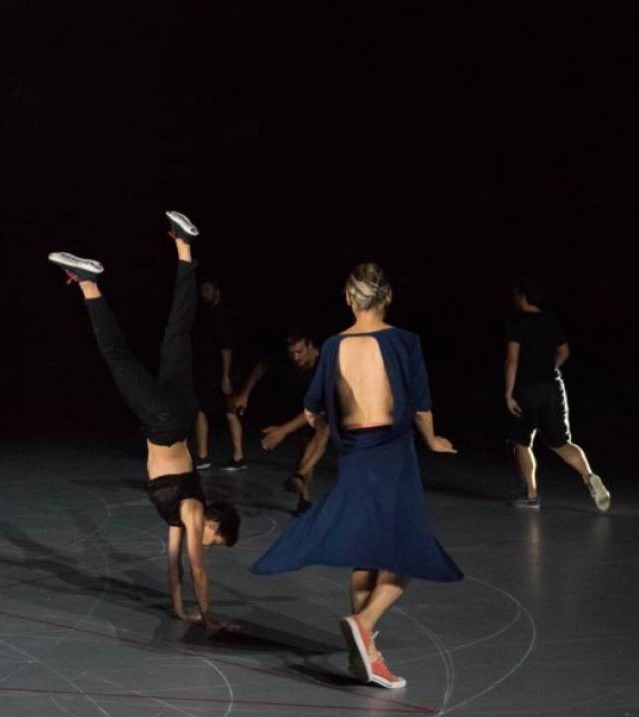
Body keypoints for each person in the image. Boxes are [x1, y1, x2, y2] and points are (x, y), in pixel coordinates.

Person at [250, 263, 462, 689]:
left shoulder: (331, 346)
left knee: (367, 553)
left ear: (348, 298)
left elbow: (312, 410)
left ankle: (363, 658)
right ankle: (364, 625)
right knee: (407, 552)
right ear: (388, 298)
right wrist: (433, 439)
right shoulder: (404, 342)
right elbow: (420, 405)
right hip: (393, 454)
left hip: (357, 456)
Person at [49, 211, 240, 630]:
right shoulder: (192, 512)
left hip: (180, 414)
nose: (209, 546)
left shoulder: (182, 516)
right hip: (166, 421)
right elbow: (197, 570)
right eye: (216, 540)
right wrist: (209, 619)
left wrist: (178, 608)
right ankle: (87, 281)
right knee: (118, 358)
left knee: (177, 331)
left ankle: (185, 246)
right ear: (213, 524)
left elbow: (172, 564)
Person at [505, 277, 610, 511]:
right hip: (553, 387)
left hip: (526, 389)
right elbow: (565, 352)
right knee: (562, 443)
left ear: (523, 295)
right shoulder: (551, 320)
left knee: (521, 442)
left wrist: (508, 393)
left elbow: (512, 361)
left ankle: (532, 496)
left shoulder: (517, 322)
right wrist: (550, 368)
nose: (514, 297)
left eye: (516, 293)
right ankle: (589, 476)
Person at [231, 328, 331, 514]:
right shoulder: (288, 358)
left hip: (336, 405)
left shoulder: (325, 364)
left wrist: (283, 431)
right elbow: (262, 365)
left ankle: (300, 475)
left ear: (311, 346)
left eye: (299, 352)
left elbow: (314, 411)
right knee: (304, 445)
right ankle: (304, 500)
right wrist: (245, 393)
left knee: (324, 429)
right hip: (307, 403)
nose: (295, 357)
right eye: (292, 353)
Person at [193, 278, 246, 471]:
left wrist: (225, 377)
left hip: (224, 374)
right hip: (209, 373)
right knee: (200, 410)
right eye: (202, 290)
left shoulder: (223, 314)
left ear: (217, 291)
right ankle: (203, 456)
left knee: (230, 411)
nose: (204, 294)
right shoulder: (208, 314)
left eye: (207, 290)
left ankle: (239, 458)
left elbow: (226, 348)